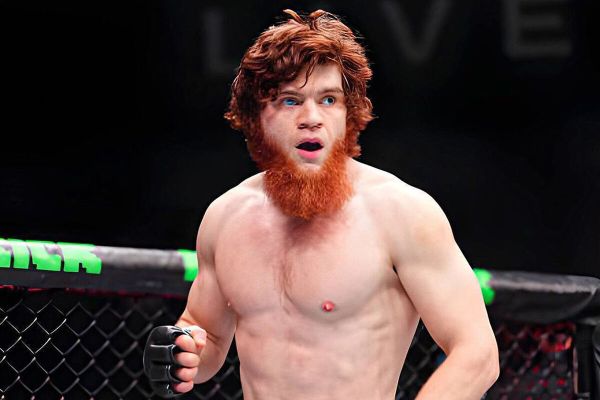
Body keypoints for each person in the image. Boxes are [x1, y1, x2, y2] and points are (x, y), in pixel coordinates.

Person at [143, 9, 499, 400]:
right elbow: (206, 335)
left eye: (329, 99)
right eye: (290, 101)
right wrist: (183, 349)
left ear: (349, 113)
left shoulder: (401, 212)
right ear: (257, 117)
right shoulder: (225, 218)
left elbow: (477, 354)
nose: (312, 118)